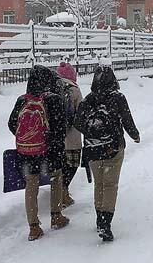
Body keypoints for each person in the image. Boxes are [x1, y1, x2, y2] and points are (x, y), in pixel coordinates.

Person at [74, 65, 140, 242]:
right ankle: (105, 223)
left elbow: (77, 122)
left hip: (92, 149)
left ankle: (99, 218)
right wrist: (135, 135)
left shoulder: (88, 99)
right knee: (110, 185)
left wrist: (92, 131)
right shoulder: (118, 97)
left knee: (99, 184)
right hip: (113, 148)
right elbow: (127, 119)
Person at [8, 65, 70, 241]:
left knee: (31, 185)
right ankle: (56, 216)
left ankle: (33, 227)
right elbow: (60, 128)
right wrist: (51, 143)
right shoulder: (54, 99)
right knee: (56, 179)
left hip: (27, 152)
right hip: (50, 151)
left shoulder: (22, 100)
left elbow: (12, 123)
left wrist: (29, 138)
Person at [56, 62, 83, 209]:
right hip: (72, 136)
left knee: (59, 166)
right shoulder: (74, 90)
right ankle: (64, 191)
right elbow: (81, 112)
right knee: (71, 165)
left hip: (56, 137)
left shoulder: (52, 88)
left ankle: (58, 192)